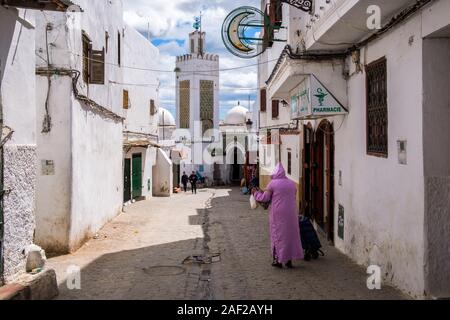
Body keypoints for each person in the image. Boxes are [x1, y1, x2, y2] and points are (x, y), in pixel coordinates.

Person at [252, 163, 304, 269]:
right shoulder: (291, 183)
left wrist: (255, 194)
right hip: (291, 213)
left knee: (277, 235)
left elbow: (265, 198)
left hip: (278, 214)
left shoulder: (272, 184)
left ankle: (278, 260)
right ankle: (289, 260)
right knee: (289, 236)